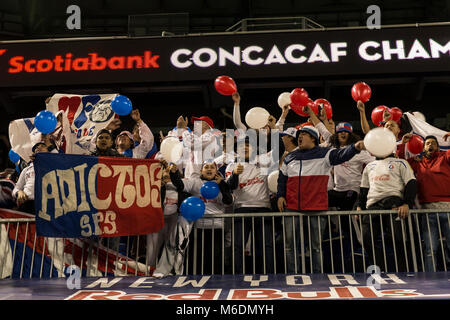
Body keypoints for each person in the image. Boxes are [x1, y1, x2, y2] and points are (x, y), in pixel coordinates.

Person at [277, 124, 366, 273]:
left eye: (303, 134)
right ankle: (292, 275)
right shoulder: (290, 157)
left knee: (316, 246)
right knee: (289, 246)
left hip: (316, 208)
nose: (299, 136)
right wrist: (280, 195)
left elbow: (342, 155)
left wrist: (355, 147)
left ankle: (317, 276)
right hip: (292, 207)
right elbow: (282, 179)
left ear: (313, 138)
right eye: (298, 135)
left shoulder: (325, 154)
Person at [356, 148, 417, 272]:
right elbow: (364, 188)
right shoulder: (369, 166)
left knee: (398, 238)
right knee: (367, 238)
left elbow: (411, 183)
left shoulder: (401, 162)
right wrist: (359, 205)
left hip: (394, 202)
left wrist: (407, 204)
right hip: (372, 204)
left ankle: (403, 271)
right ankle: (380, 269)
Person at [169, 160, 233, 274]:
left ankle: (217, 281)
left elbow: (228, 201)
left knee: (215, 257)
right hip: (198, 227)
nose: (209, 169)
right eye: (206, 167)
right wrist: (173, 174)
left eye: (212, 167)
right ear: (201, 171)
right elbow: (180, 185)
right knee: (196, 256)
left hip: (217, 227)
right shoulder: (195, 182)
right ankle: (194, 280)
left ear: (216, 171)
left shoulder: (223, 184)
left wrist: (222, 184)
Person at [226, 136, 276, 274]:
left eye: (248, 145)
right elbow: (230, 187)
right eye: (241, 146)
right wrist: (235, 174)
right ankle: (236, 276)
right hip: (241, 208)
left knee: (266, 246)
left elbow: (279, 149)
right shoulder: (231, 166)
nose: (245, 147)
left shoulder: (263, 160)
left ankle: (269, 275)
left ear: (254, 148)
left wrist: (274, 128)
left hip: (263, 208)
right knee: (237, 246)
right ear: (236, 151)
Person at [407, 135, 450, 271]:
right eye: (427, 143)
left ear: (437, 147)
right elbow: (399, 163)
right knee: (430, 249)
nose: (430, 145)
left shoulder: (445, 157)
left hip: (447, 209)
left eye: (433, 143)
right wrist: (403, 143)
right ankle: (431, 278)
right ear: (423, 147)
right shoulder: (418, 161)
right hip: (427, 211)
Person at [12, 142, 49, 214]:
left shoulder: (53, 166)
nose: (38, 147)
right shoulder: (26, 169)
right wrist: (19, 192)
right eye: (36, 148)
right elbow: (16, 188)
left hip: (47, 204)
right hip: (27, 203)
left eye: (42, 146)